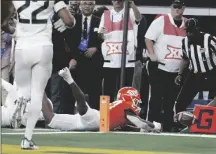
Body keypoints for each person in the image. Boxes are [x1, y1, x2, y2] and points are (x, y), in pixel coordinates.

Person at [1, 68, 162, 132]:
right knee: (83, 108)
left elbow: (131, 124)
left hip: (88, 122)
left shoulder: (122, 109)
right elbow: (139, 123)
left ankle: (37, 85)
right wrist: (153, 126)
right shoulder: (126, 107)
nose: (138, 104)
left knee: (51, 119)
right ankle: (70, 80)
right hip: (96, 120)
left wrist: (144, 126)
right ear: (131, 98)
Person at [11, 0, 75, 150]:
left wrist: (14, 29)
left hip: (22, 46)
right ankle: (27, 139)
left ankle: (21, 98)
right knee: (38, 94)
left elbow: (3, 20)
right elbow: (69, 21)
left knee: (23, 87)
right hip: (43, 46)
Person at [145, 0, 187, 132]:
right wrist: (152, 56)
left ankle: (168, 126)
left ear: (183, 8)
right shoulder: (162, 20)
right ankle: (150, 124)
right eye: (175, 7)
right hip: (159, 66)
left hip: (176, 69)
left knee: (171, 99)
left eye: (180, 8)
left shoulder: (188, 23)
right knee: (156, 97)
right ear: (171, 8)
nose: (177, 10)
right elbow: (148, 38)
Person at [174, 18, 216, 116]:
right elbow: (185, 59)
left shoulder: (209, 39)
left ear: (197, 29)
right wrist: (180, 74)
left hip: (212, 74)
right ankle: (179, 125)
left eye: (191, 31)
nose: (188, 34)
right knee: (180, 103)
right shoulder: (185, 42)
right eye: (187, 31)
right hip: (195, 74)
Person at [98, 0, 142, 101]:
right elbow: (100, 36)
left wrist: (132, 5)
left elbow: (139, 18)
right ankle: (107, 115)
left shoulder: (130, 12)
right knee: (108, 92)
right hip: (110, 60)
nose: (117, 1)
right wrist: (101, 33)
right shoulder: (106, 15)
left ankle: (124, 115)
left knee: (125, 92)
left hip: (127, 60)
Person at [65, 0, 103, 110]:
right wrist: (72, 58)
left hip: (94, 62)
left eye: (90, 4)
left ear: (94, 6)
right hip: (77, 61)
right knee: (74, 92)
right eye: (85, 4)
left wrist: (96, 48)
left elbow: (105, 40)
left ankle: (96, 119)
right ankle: (74, 117)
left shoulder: (99, 21)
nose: (87, 6)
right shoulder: (73, 20)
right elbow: (68, 41)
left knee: (95, 93)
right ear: (80, 5)